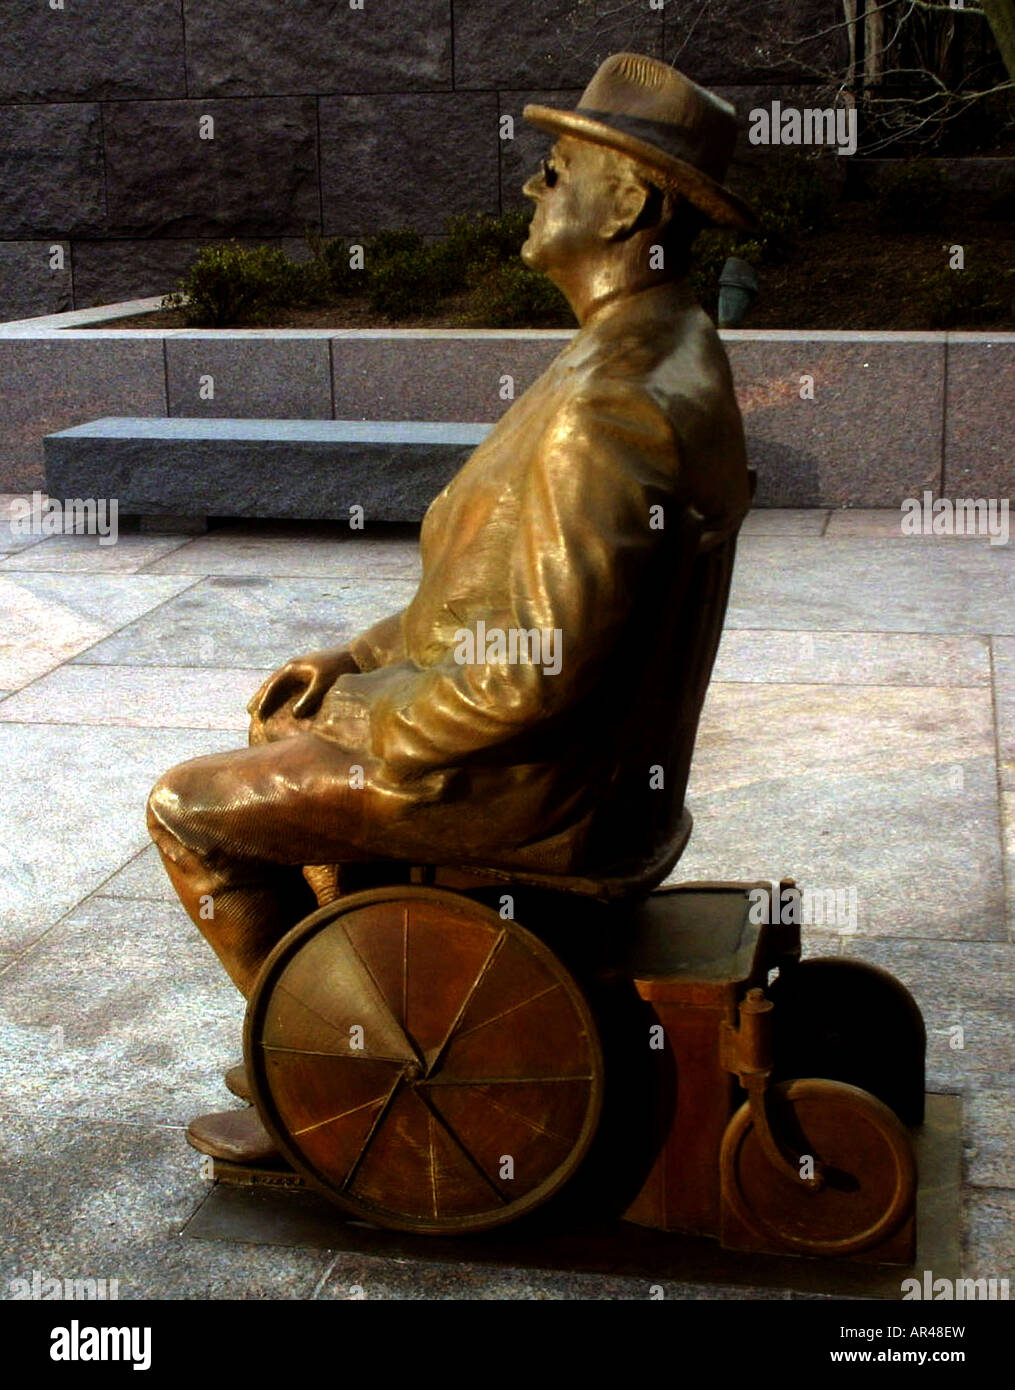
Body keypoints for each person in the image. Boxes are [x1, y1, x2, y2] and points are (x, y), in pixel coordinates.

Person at [147, 53, 754, 1161]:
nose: (533, 186)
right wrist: (356, 656)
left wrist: (359, 717)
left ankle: (326, 1063)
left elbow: (534, 672)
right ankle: (350, 1013)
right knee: (288, 724)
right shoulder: (658, 346)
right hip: (581, 768)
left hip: (534, 787)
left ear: (628, 202)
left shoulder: (609, 402)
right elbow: (487, 591)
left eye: (558, 167)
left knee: (189, 807)